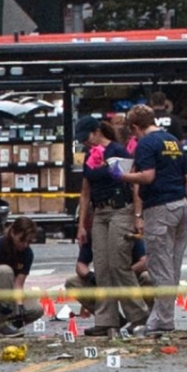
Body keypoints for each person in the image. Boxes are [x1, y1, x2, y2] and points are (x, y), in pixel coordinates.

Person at [117, 104, 187, 338]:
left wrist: (121, 175)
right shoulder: (172, 141)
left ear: (134, 127)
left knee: (159, 267)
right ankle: (164, 318)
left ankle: (162, 321)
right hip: (181, 205)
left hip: (160, 208)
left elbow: (147, 176)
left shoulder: (146, 144)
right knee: (173, 267)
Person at [74, 115, 150, 337]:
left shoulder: (118, 151)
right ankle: (107, 320)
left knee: (118, 263)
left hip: (120, 210)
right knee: (102, 266)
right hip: (100, 213)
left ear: (97, 131)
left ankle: (139, 316)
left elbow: (133, 184)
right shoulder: (89, 156)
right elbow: (85, 192)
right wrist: (82, 225)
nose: (85, 142)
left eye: (86, 136)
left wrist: (137, 216)